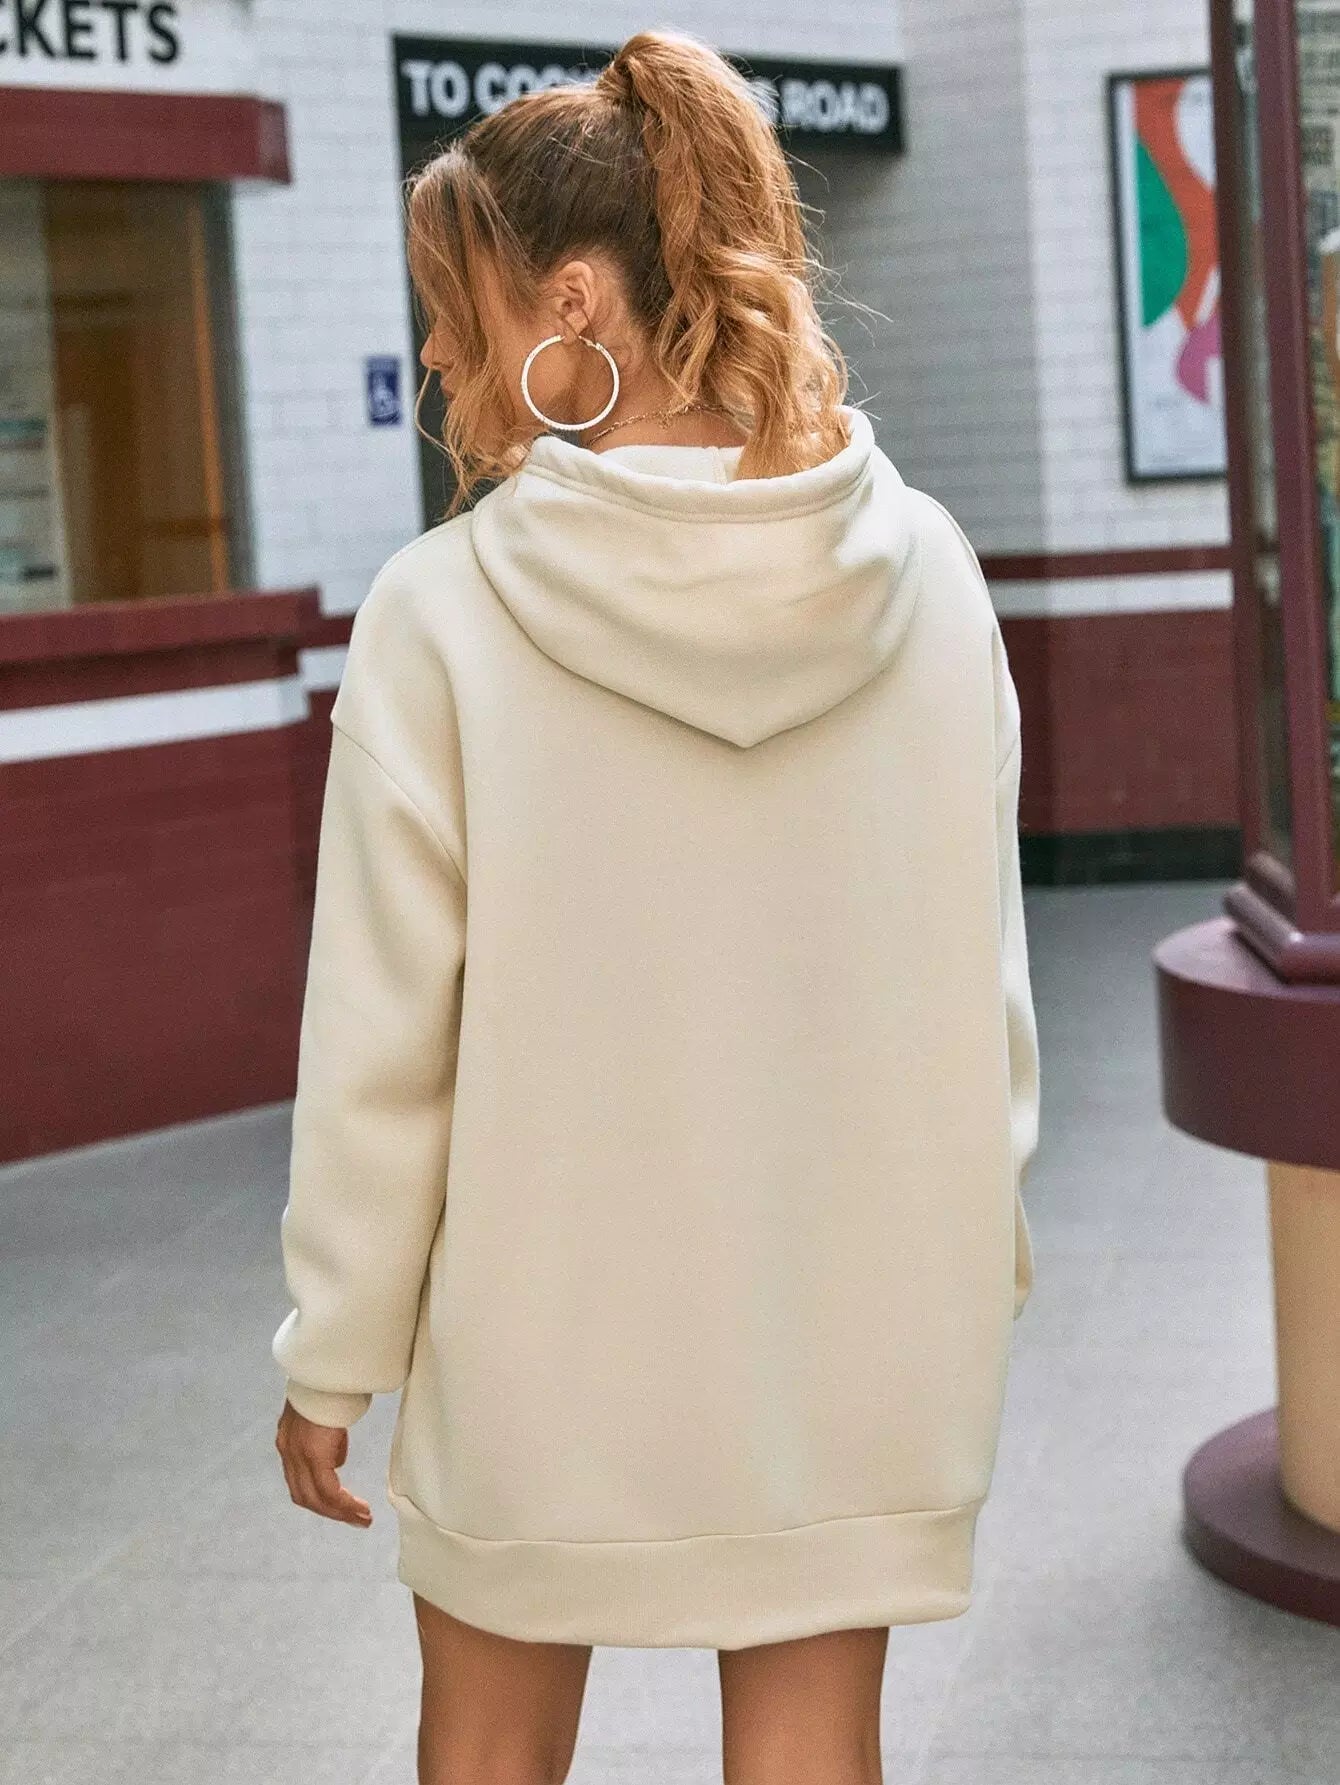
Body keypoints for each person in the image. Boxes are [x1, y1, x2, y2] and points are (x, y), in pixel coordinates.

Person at [271, 26, 1040, 1785]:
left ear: (573, 303)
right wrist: (968, 1259)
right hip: (850, 1329)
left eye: (457, 311)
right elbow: (980, 983)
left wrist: (335, 1352)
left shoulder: (442, 614)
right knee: (814, 1744)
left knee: (487, 1747)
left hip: (541, 1338)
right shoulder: (930, 576)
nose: (441, 358)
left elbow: (384, 1051)